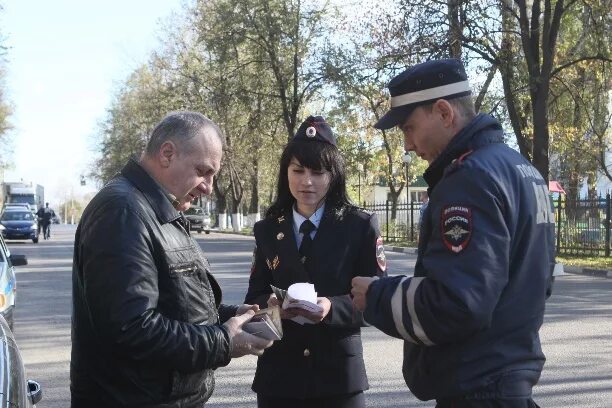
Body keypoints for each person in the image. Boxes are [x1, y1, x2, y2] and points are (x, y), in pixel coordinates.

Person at [351, 59, 556, 408]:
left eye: (409, 127)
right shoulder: (522, 170)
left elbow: (458, 304)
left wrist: (377, 296)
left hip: (479, 387)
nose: (408, 145)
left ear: (444, 113)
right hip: (507, 380)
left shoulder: (469, 178)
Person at [71, 111, 273, 407]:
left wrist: (231, 316)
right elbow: (131, 329)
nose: (208, 186)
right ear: (167, 154)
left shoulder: (156, 209)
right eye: (203, 171)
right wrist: (223, 341)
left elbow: (173, 304)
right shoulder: (123, 211)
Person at [244, 116, 387, 408]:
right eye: (298, 170)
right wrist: (271, 306)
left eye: (318, 172)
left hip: (338, 378)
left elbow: (378, 300)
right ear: (286, 173)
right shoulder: (268, 229)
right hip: (279, 378)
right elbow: (253, 299)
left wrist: (331, 307)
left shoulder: (358, 226)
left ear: (333, 176)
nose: (306, 181)